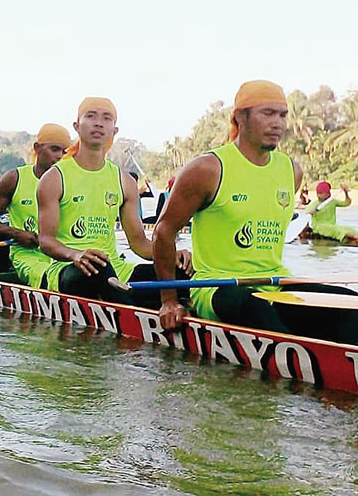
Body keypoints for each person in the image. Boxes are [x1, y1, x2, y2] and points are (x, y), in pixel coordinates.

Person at [153, 79, 358, 344]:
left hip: (275, 282)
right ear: (240, 117)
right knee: (256, 311)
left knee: (347, 303)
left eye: (283, 115)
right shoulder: (207, 169)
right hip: (218, 287)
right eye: (268, 113)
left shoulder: (291, 171)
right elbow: (163, 231)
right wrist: (168, 301)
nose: (278, 124)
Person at [37, 97, 191, 307]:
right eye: (90, 116)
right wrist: (75, 254)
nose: (99, 123)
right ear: (77, 126)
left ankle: (159, 308)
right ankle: (140, 312)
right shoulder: (54, 178)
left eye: (106, 118)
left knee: (181, 272)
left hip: (116, 270)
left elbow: (138, 244)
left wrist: (171, 255)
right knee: (99, 269)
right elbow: (45, 240)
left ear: (114, 130)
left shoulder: (124, 181)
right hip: (68, 269)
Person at [0, 124, 71, 286]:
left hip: (61, 253)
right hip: (28, 255)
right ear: (37, 148)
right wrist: (16, 233)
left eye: (65, 152)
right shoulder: (14, 178)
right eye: (55, 149)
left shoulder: (70, 181)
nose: (60, 156)